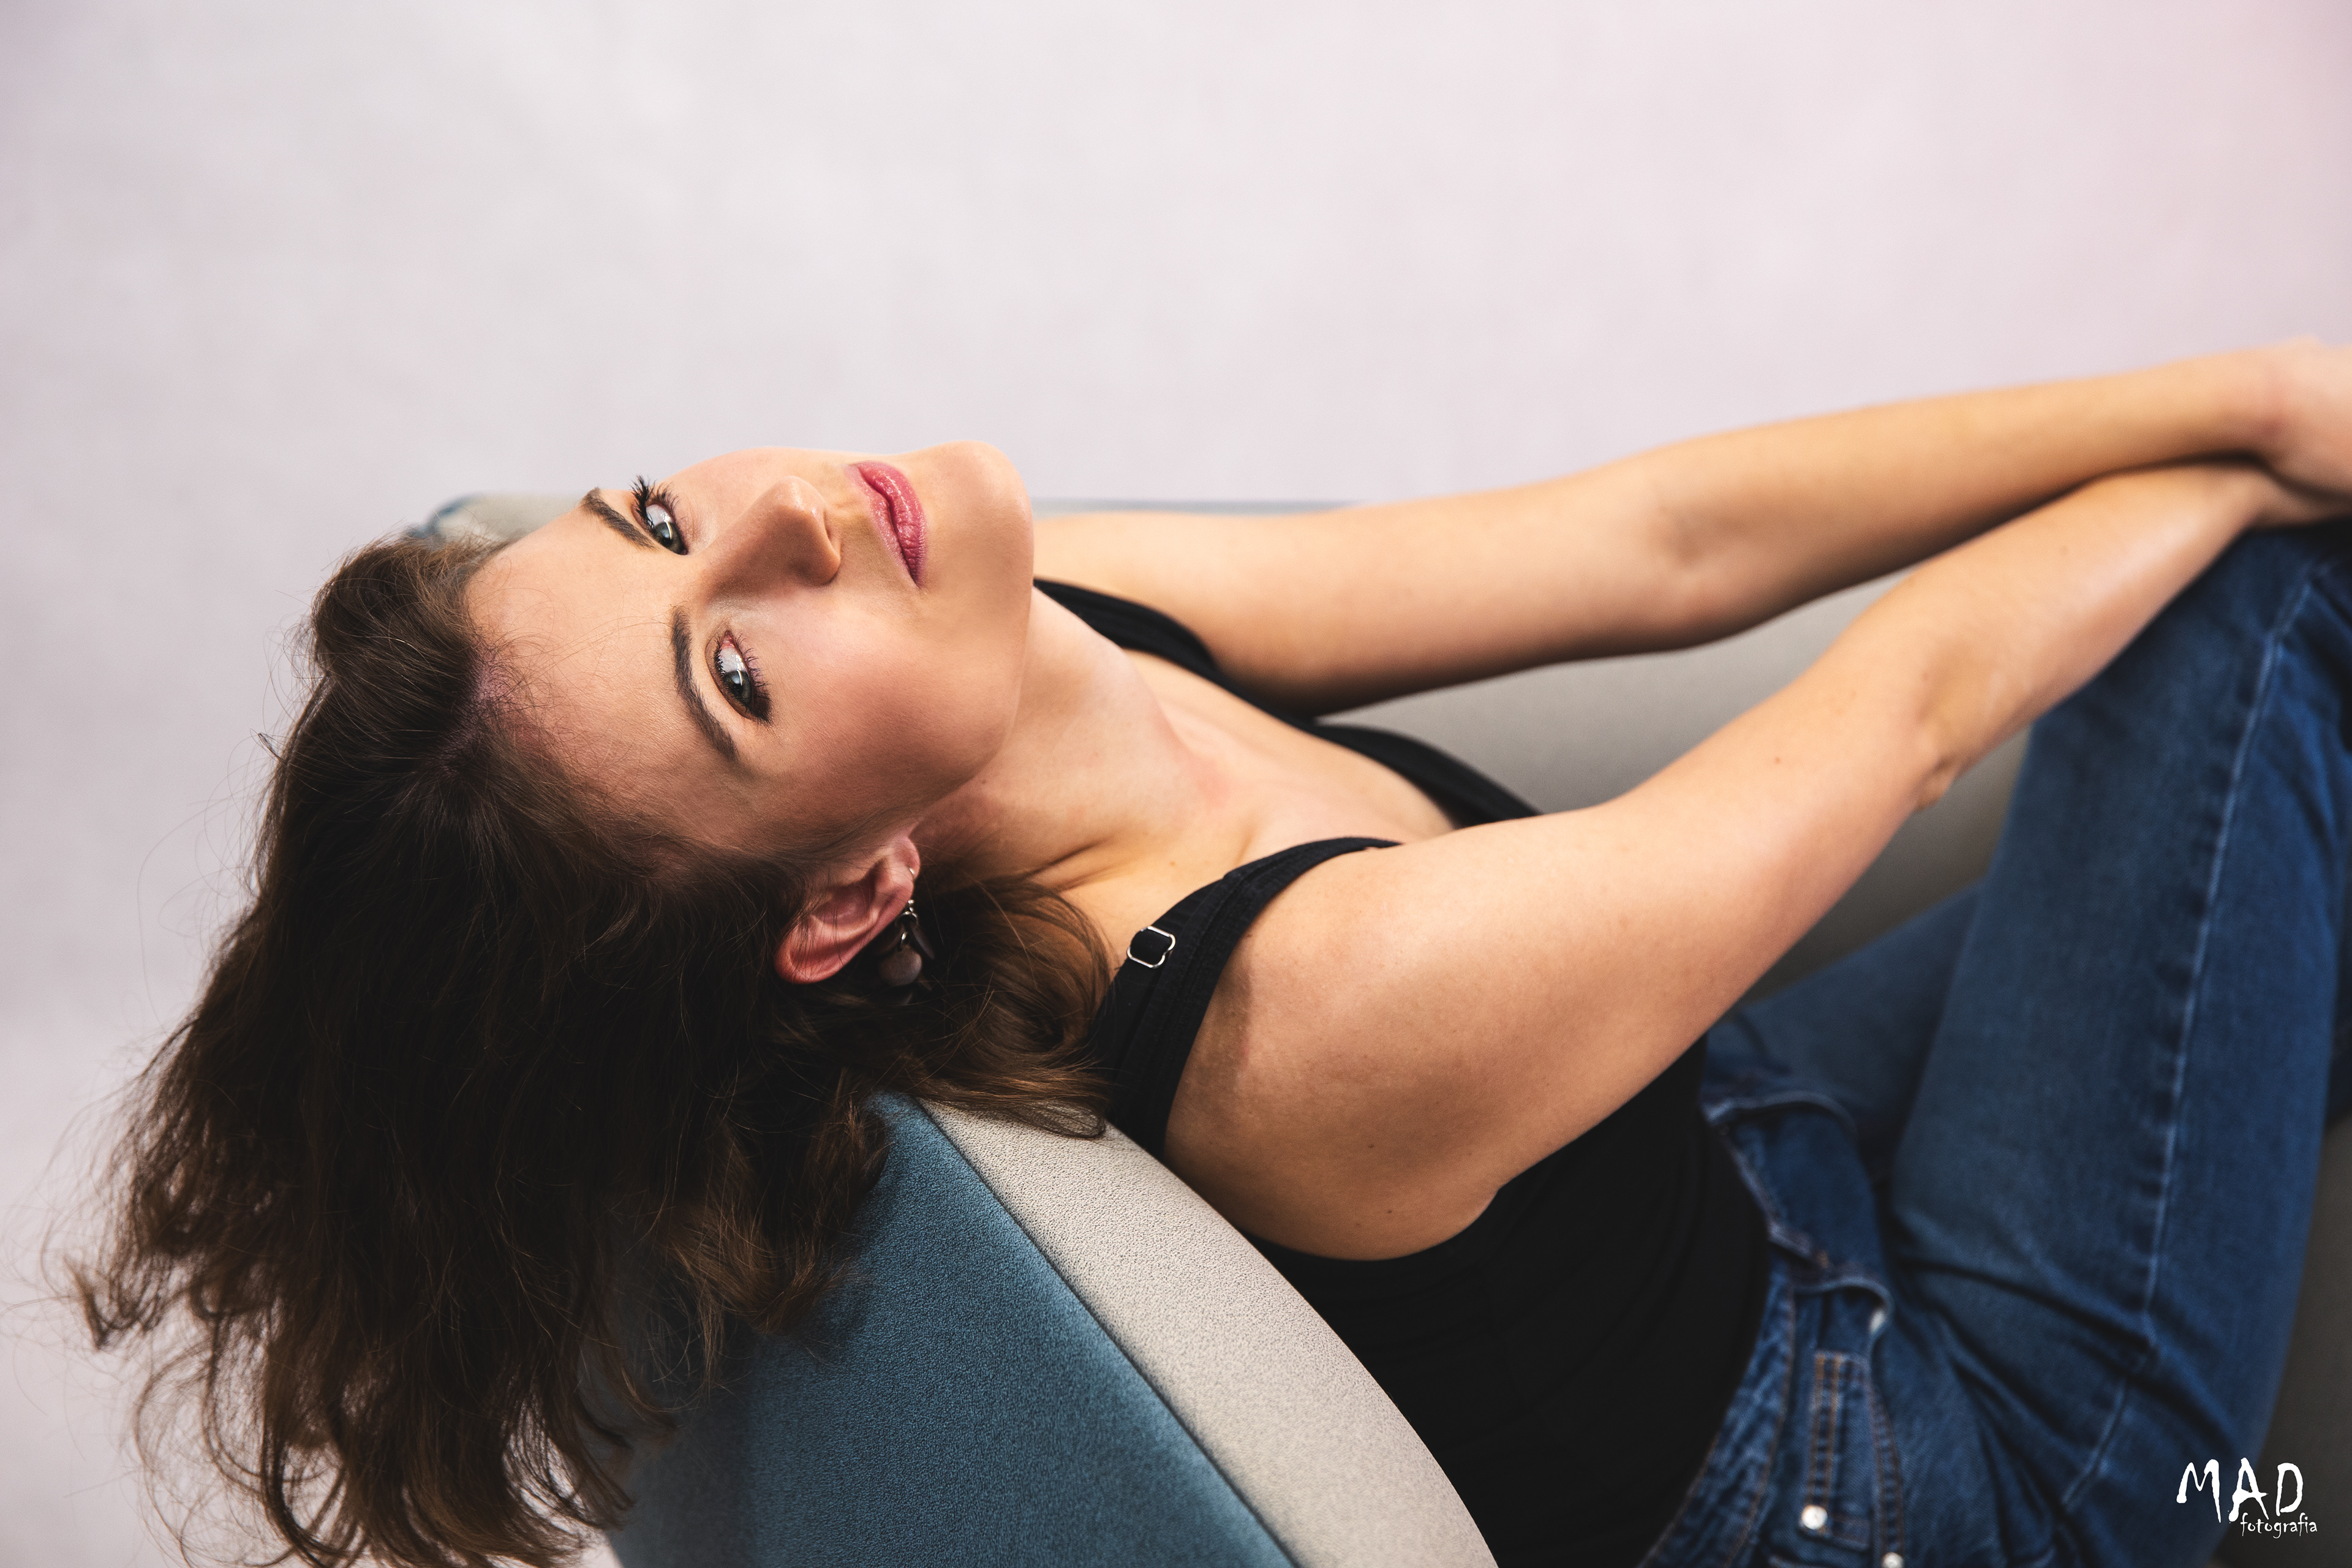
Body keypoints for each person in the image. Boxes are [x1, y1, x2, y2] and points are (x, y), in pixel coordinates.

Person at [79, 341, 2352, 1568]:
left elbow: (1656, 540)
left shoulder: (1008, 649)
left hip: (1741, 1158)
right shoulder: (1312, 1018)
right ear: (847, 899)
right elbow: (1918, 708)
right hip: (1936, 1477)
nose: (787, 515)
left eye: (659, 519)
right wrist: (2258, 445)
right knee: (2258, 619)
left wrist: (2240, 394)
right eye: (738, 671)